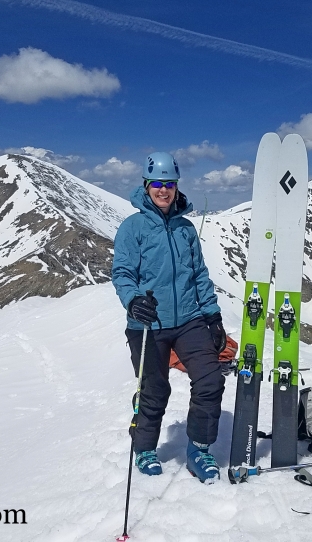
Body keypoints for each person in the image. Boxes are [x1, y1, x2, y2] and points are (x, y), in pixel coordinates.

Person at [112, 151, 227, 484]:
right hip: (147, 322)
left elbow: (199, 275)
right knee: (154, 389)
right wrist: (133, 301)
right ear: (147, 186)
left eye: (170, 184)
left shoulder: (186, 229)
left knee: (210, 380)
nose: (164, 190)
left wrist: (213, 315)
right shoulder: (133, 228)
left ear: (177, 187)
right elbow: (121, 272)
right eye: (157, 184)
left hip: (190, 319)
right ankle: (146, 447)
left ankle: (199, 449)